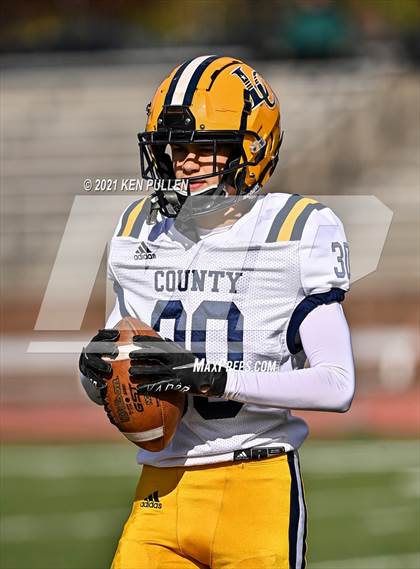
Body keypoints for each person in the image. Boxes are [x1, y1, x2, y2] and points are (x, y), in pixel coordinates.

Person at [79, 55, 355, 569]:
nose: (184, 164)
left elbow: (338, 385)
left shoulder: (294, 230)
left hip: (257, 485)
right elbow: (125, 353)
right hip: (161, 489)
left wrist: (214, 378)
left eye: (202, 149)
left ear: (250, 150)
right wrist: (95, 373)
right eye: (175, 148)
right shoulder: (140, 228)